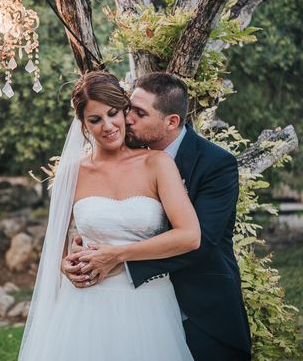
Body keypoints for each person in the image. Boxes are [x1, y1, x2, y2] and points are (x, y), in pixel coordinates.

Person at [64, 72, 252, 360]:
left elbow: (201, 240)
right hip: (107, 302)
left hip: (202, 309)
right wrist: (73, 259)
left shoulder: (215, 164)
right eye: (128, 109)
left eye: (136, 113)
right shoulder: (123, 153)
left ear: (171, 122)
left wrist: (119, 260)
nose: (125, 121)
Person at [18, 71, 200, 360]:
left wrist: (117, 255)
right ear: (83, 125)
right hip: (86, 303)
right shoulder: (72, 173)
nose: (108, 126)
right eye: (95, 120)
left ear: (125, 110)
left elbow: (189, 235)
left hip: (148, 302)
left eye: (113, 113)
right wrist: (65, 265)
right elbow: (56, 243)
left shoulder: (157, 164)